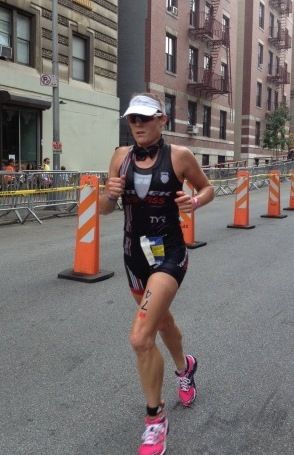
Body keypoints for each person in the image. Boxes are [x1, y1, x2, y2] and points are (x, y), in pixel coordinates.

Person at [100, 93, 214, 455]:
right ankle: (185, 367)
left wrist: (193, 201)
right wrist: (109, 193)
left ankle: (155, 418)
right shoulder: (120, 157)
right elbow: (104, 210)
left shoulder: (180, 156)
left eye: (145, 119)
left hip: (169, 255)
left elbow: (207, 188)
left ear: (162, 120)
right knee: (161, 323)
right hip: (134, 256)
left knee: (140, 337)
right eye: (133, 119)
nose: (138, 125)